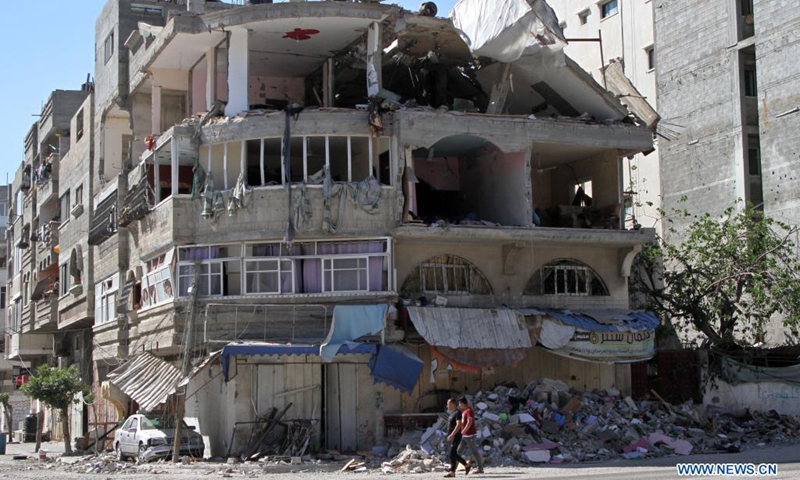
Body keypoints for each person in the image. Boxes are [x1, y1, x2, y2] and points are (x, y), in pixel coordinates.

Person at [458, 397, 484, 474]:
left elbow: (470, 422)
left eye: (459, 403)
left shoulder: (469, 411)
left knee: (474, 452)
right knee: (458, 452)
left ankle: (480, 468)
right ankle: (453, 467)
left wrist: (463, 431)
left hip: (470, 435)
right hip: (465, 435)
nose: (459, 405)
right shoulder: (464, 412)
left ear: (463, 403)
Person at [444, 399, 467, 477]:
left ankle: (466, 465)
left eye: (448, 404)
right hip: (452, 436)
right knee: (451, 454)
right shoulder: (452, 413)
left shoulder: (458, 412)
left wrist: (452, 435)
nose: (447, 406)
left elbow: (459, 425)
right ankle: (452, 472)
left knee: (452, 453)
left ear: (453, 404)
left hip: (456, 436)